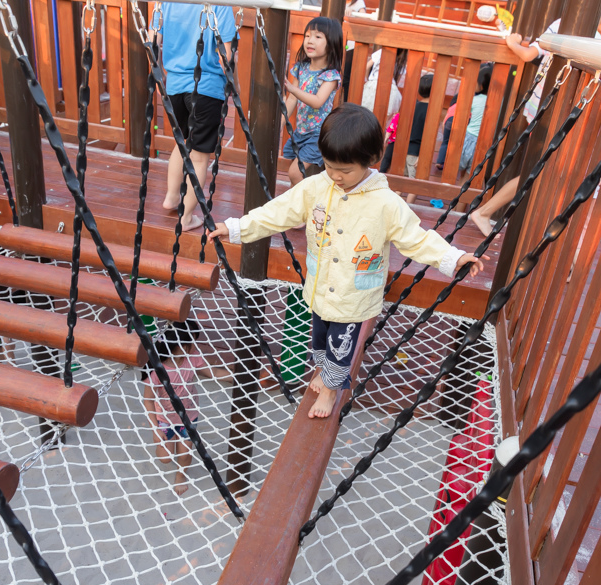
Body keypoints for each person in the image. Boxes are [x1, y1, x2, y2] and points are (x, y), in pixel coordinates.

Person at [208, 105, 487, 418]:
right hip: (319, 288)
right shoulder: (316, 187)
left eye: (346, 170)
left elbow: (417, 239)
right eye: (330, 166)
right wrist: (235, 228)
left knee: (341, 349)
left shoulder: (385, 204)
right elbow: (276, 212)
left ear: (370, 161)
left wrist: (454, 257)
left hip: (354, 296)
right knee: (318, 343)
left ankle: (330, 389)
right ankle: (324, 372)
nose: (336, 176)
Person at [466, 0, 601, 236]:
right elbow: (530, 54)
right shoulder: (566, 26)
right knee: (542, 169)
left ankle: (489, 212)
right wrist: (511, 41)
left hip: (575, 112)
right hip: (553, 109)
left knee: (543, 169)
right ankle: (488, 212)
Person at [160, 3, 237, 231]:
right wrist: (236, 85)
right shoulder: (219, 5)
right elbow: (226, 55)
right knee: (200, 156)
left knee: (182, 142)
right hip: (206, 87)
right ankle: (186, 218)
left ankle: (172, 198)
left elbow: (153, 40)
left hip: (174, 85)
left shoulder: (169, 3)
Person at [143, 320, 206, 495]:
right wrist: (155, 429)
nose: (196, 345)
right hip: (164, 418)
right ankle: (169, 442)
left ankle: (181, 475)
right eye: (193, 341)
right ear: (183, 346)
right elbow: (147, 400)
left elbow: (213, 373)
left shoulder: (192, 359)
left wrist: (237, 375)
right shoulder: (157, 369)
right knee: (165, 458)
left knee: (185, 454)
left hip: (188, 416)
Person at [284, 17, 344, 186]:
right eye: (308, 35)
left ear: (331, 43)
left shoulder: (330, 76)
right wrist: (281, 122)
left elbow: (318, 101)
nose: (310, 41)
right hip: (301, 131)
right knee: (296, 174)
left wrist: (294, 90)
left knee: (295, 173)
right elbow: (291, 101)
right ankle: (297, 206)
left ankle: (300, 207)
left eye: (318, 37)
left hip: (318, 134)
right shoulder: (300, 68)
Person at [380, 74, 434, 204]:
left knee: (403, 181)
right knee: (415, 184)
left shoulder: (413, 106)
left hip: (403, 148)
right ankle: (408, 207)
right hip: (415, 151)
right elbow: (428, 136)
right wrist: (423, 155)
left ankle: (394, 203)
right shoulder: (431, 111)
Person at [460, 64, 494, 176]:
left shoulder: (475, 100)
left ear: (482, 85)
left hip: (468, 138)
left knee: (459, 169)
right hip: (482, 142)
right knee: (469, 174)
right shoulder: (495, 103)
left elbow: (462, 112)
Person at [362, 48, 408, 120]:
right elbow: (397, 80)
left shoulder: (382, 51)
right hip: (391, 89)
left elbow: (366, 67)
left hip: (373, 85)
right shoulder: (402, 59)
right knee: (384, 119)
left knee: (365, 114)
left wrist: (368, 79)